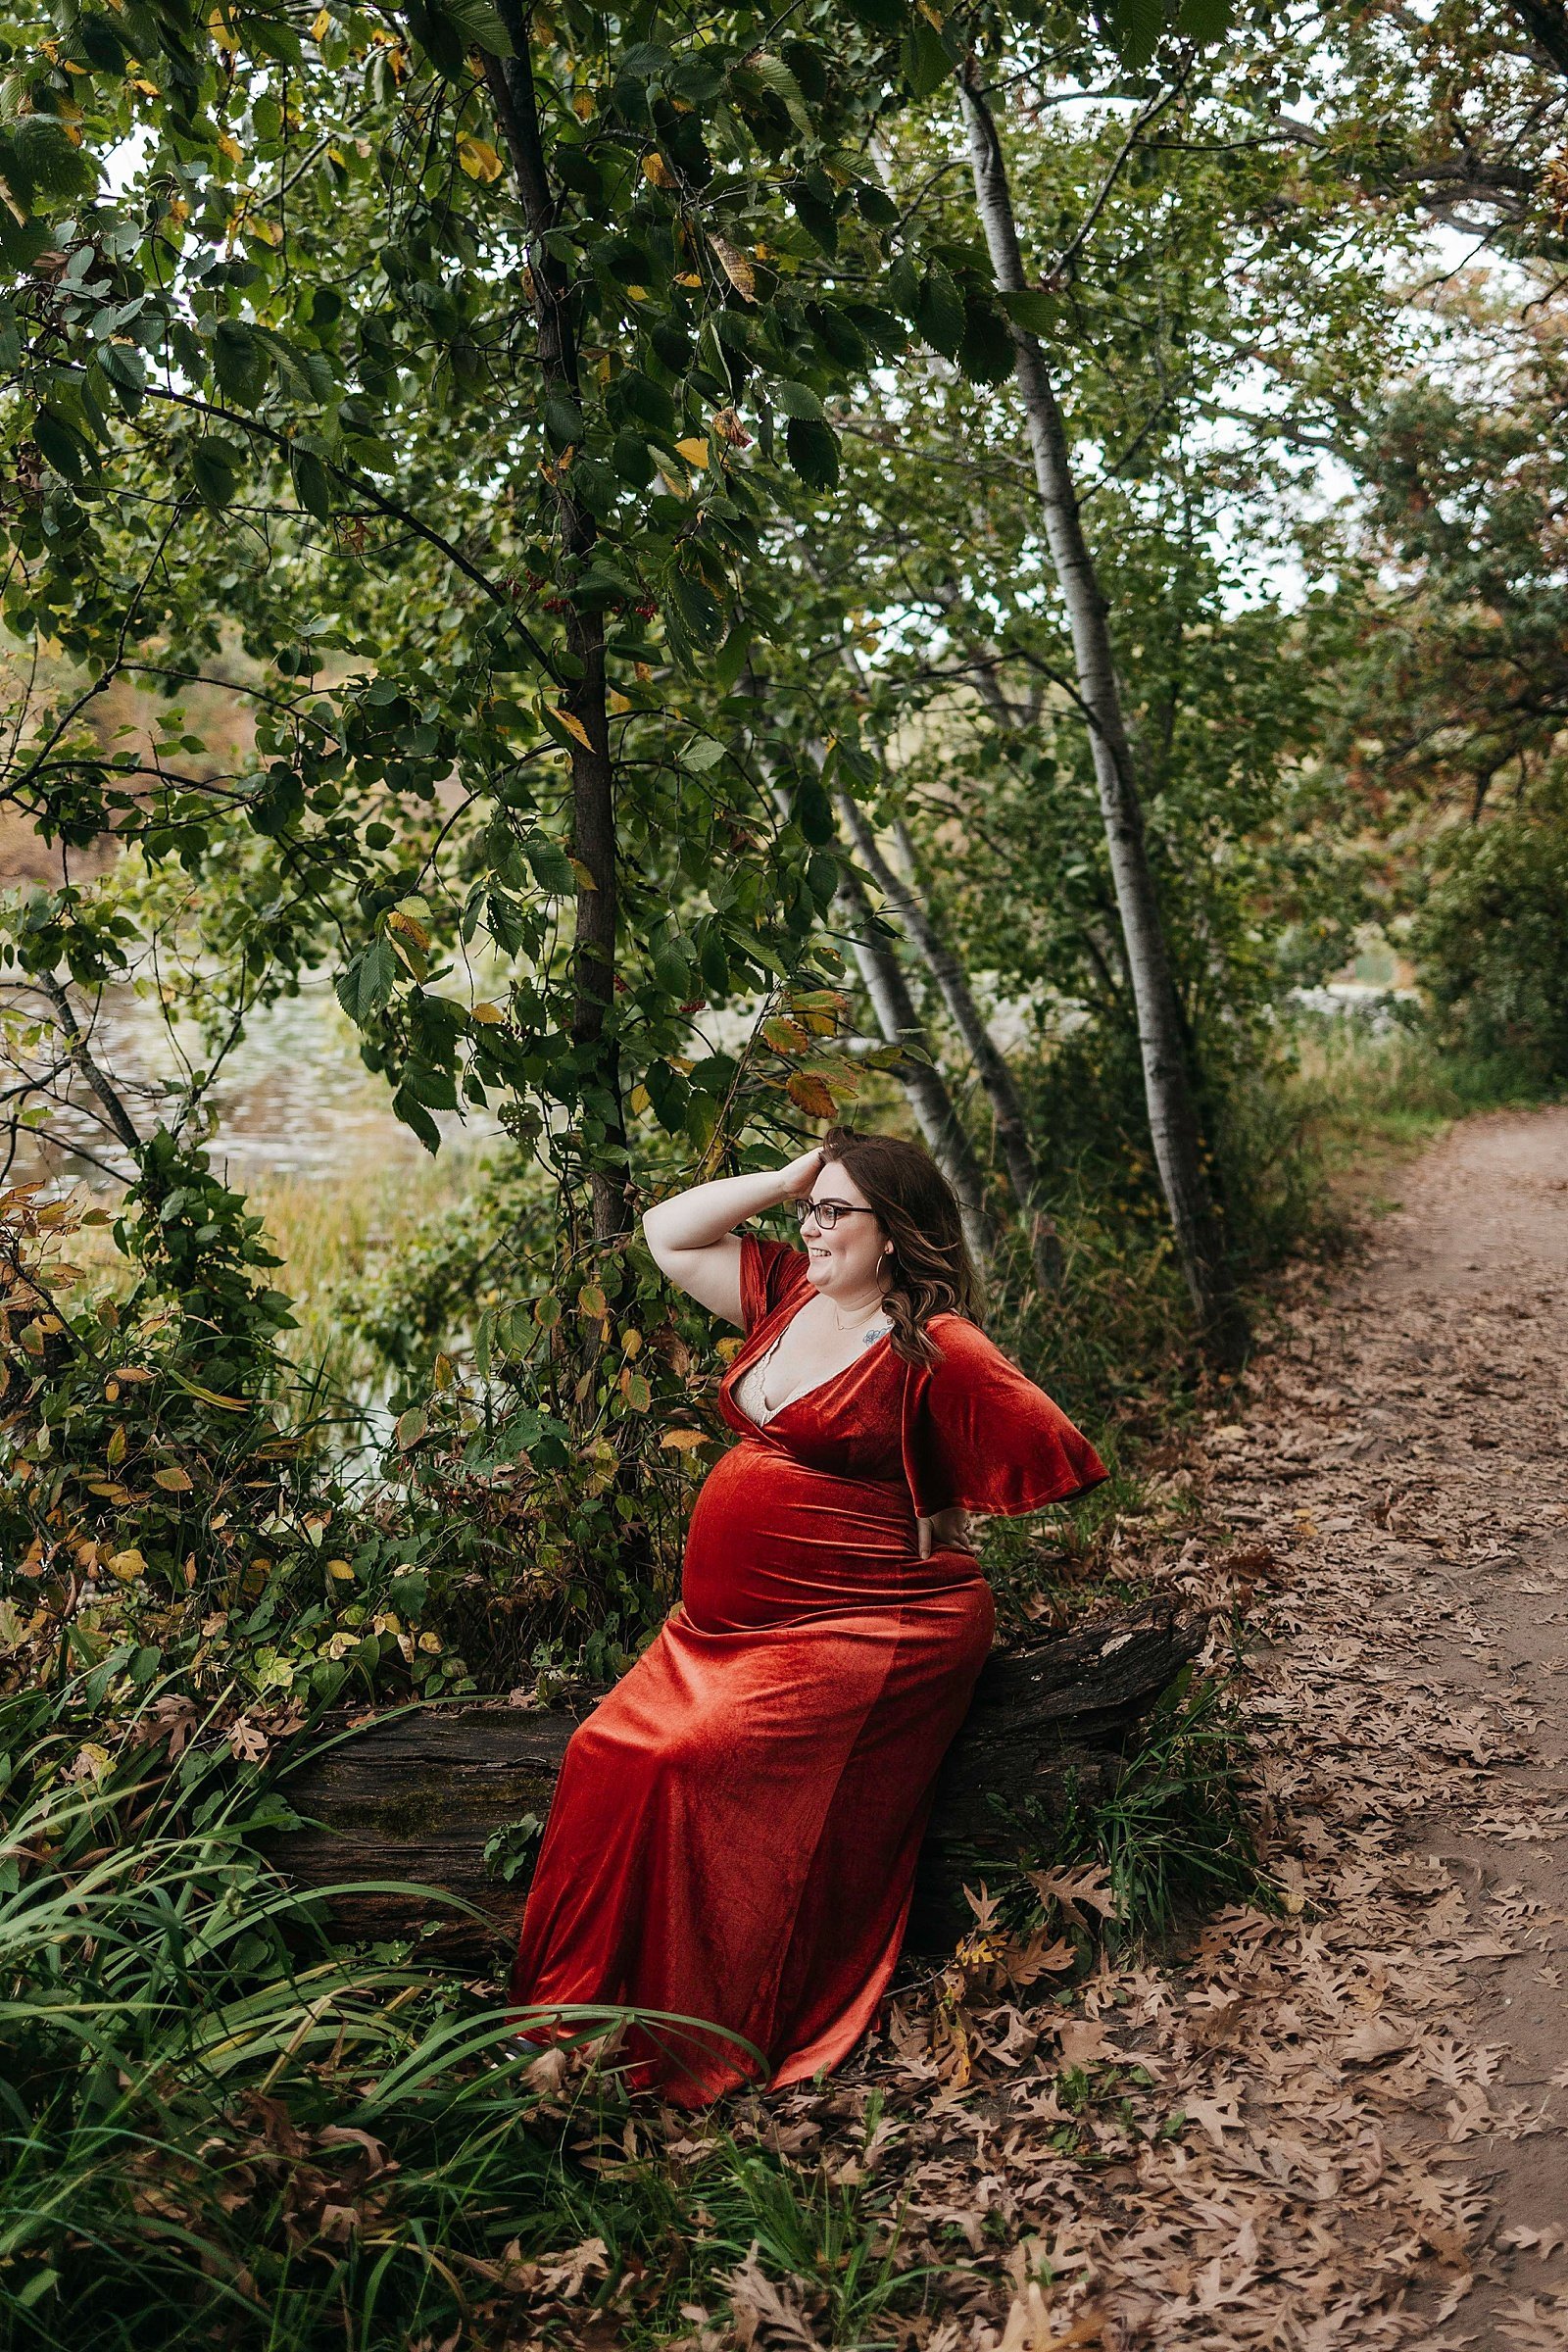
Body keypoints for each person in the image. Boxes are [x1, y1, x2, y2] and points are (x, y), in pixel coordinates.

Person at [508, 1126, 1107, 2105]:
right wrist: (795, 1175)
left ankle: (673, 2038)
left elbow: (1057, 1448)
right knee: (605, 1750)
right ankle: (578, 2017)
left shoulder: (937, 1344)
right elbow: (667, 1234)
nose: (811, 1225)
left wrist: (940, 1514)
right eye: (808, 1210)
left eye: (835, 1211)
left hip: (869, 1620)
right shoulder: (790, 1290)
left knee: (683, 1763)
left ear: (897, 1232)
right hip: (723, 1634)